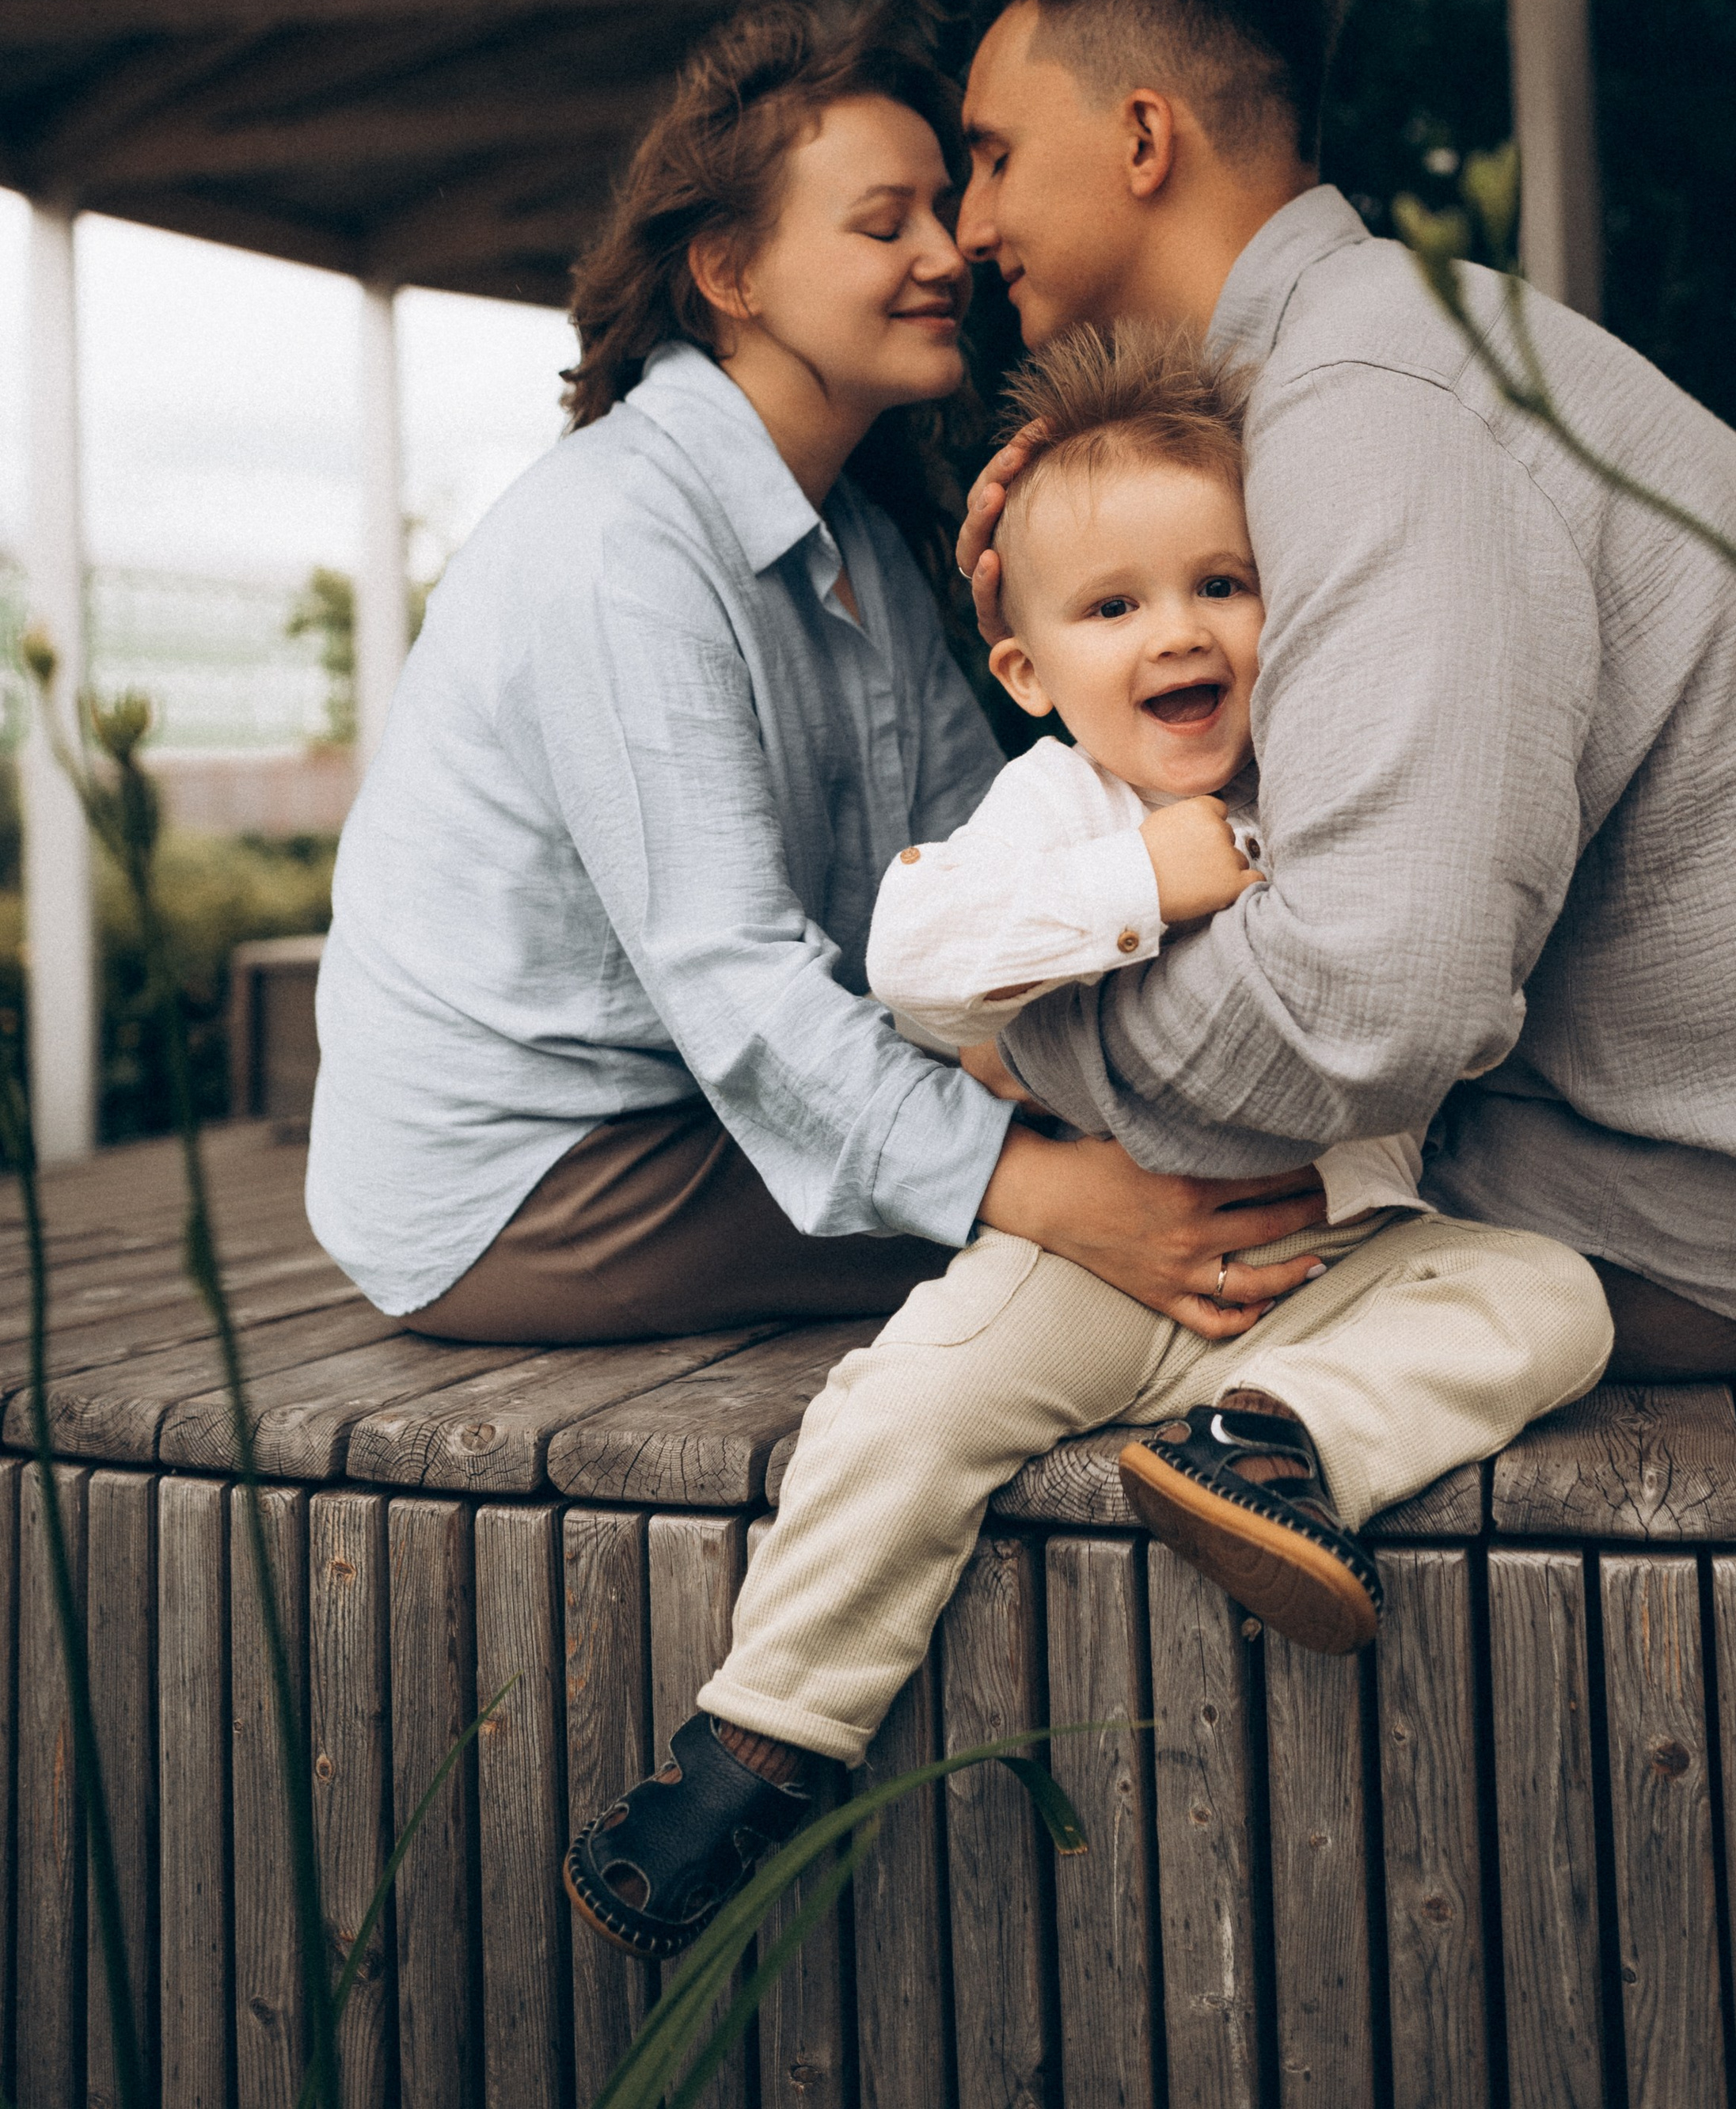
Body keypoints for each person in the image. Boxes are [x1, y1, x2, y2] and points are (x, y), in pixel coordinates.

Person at [564, 322, 1611, 1963]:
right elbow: (910, 958)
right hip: (1089, 1257)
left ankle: (1270, 1446)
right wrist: (1148, 884)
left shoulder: (1339, 788)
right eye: (1113, 607)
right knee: (903, 1411)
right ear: (1032, 670)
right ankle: (761, 1735)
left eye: (1220, 584)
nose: (1175, 632)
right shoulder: (1061, 808)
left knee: (1552, 1296)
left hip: (1323, 1268)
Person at [952, 0, 1736, 1378]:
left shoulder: (1363, 410)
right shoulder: (1373, 357)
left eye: (993, 156)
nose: (968, 225)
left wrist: (1023, 1028)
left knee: (1025, 1327)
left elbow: (1371, 1002)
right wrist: (1089, 525)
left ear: (1143, 139)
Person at [306, 0, 1328, 1348]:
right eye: (883, 220)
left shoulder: (849, 533)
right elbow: (738, 987)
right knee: (1149, 1241)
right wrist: (1051, 1191)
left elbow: (988, 864)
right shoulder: (620, 542)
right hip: (541, 1178)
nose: (952, 250)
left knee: (1197, 1175)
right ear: (730, 273)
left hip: (701, 1114)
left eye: (945, 207)